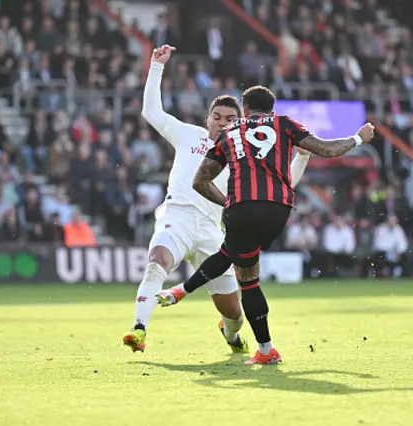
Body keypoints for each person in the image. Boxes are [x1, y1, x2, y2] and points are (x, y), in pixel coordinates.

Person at [160, 85, 374, 364]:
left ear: (244, 110)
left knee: (247, 278)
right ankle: (180, 292)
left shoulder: (229, 133)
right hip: (279, 210)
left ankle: (265, 350)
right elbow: (326, 149)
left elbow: (199, 181)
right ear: (272, 110)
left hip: (242, 209)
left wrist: (227, 202)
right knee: (231, 253)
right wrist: (359, 138)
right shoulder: (284, 124)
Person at [122, 46, 312, 354]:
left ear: (240, 121)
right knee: (157, 262)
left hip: (215, 229)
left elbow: (282, 184)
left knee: (233, 311)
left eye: (230, 118)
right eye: (217, 117)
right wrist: (156, 66)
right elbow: (151, 113)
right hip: (178, 216)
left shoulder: (244, 150)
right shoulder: (187, 135)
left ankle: (232, 334)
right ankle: (139, 329)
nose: (222, 123)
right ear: (207, 118)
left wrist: (301, 157)